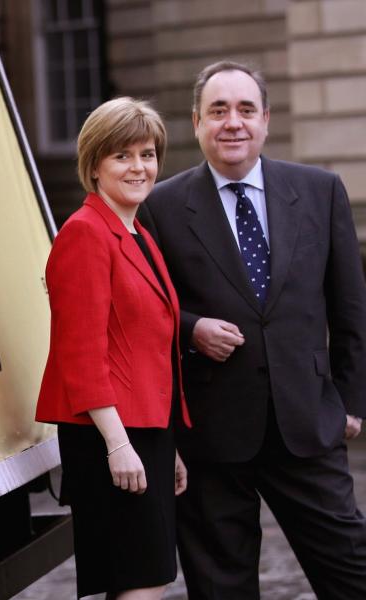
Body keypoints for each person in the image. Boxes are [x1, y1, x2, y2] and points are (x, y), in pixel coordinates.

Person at [139, 61, 366, 599]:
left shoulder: (320, 191)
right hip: (211, 435)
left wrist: (352, 403)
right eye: (218, 111)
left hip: (307, 424)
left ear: (266, 120)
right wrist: (191, 329)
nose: (232, 122)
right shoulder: (159, 207)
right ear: (196, 122)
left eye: (245, 110)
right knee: (221, 589)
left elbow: (350, 308)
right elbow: (143, 311)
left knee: (352, 572)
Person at [36, 97, 191, 600]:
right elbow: (79, 354)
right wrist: (119, 444)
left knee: (147, 579)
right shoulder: (84, 234)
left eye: (147, 154)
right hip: (108, 436)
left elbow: (151, 348)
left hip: (146, 433)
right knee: (142, 582)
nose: (139, 167)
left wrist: (169, 448)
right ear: (94, 165)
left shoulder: (139, 233)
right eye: (121, 156)